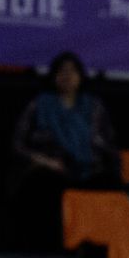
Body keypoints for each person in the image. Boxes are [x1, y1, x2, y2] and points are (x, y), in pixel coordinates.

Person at [12, 51, 119, 189]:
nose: (67, 76)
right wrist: (45, 161)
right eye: (62, 71)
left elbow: (109, 145)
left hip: (90, 171)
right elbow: (18, 145)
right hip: (50, 168)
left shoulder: (94, 108)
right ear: (54, 76)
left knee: (107, 183)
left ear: (81, 76)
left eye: (72, 71)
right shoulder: (39, 105)